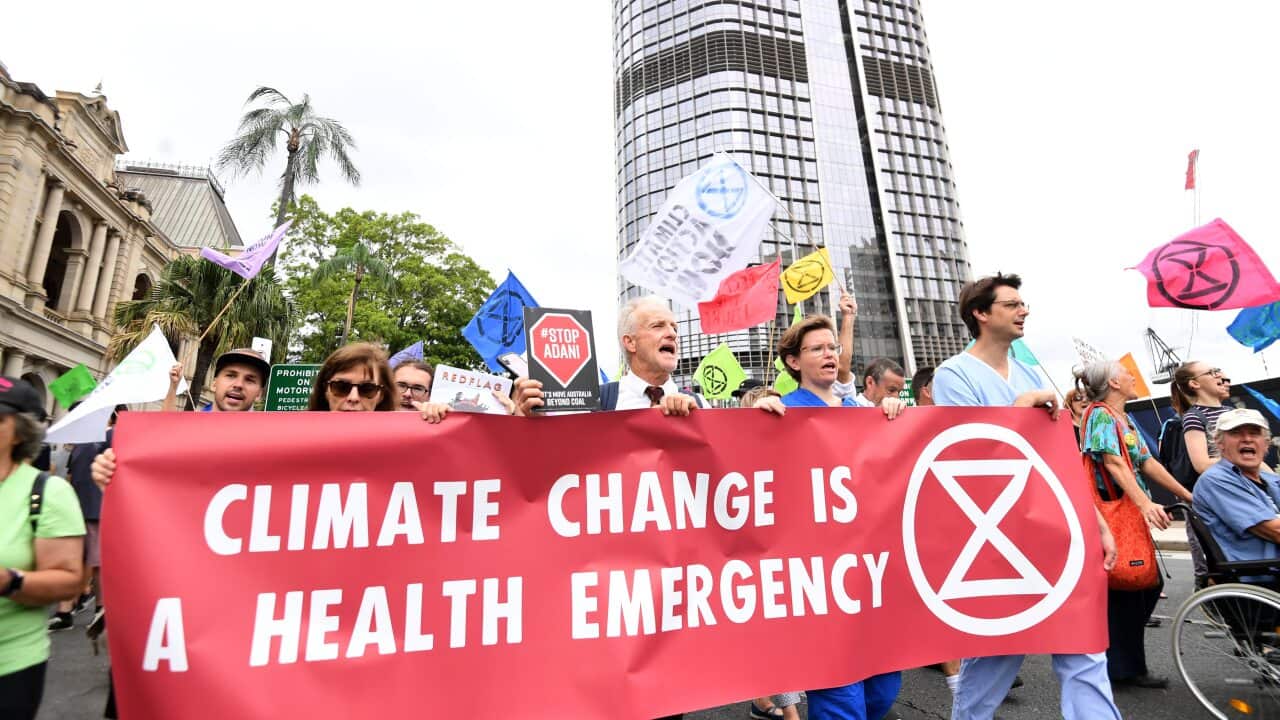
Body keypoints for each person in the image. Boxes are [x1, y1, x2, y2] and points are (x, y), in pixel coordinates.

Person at [931, 273, 1120, 720]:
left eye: (1023, 303)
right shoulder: (953, 375)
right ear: (981, 314)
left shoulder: (1031, 372)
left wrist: (1098, 525)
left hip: (1054, 532)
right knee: (996, 655)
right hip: (999, 540)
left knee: (1084, 650)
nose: (1024, 310)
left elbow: (1058, 462)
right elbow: (969, 455)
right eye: (1012, 304)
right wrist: (1020, 410)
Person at [755, 314, 902, 720]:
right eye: (817, 348)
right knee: (841, 700)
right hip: (818, 576)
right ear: (793, 362)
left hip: (869, 572)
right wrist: (756, 424)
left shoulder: (861, 411)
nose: (829, 355)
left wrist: (891, 412)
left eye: (832, 348)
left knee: (883, 689)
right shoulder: (782, 411)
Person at [1075, 359, 1193, 689]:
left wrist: (1186, 494)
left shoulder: (1120, 418)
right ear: (1113, 383)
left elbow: (1146, 461)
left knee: (1137, 586)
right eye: (1124, 372)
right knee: (1133, 585)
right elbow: (1113, 461)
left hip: (1125, 512)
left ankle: (1117, 661)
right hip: (1112, 513)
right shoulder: (1098, 414)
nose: (1131, 375)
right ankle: (1120, 665)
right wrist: (1145, 503)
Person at [0, 376, 86, 720]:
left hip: (9, 669)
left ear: (20, 433)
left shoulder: (47, 493)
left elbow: (71, 581)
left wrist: (10, 580)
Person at [516, 296, 700, 416]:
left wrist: (700, 423)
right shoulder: (597, 404)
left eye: (674, 328)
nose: (673, 334)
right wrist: (527, 420)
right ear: (630, 342)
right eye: (658, 326)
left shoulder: (700, 405)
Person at [1192, 408, 1280, 571]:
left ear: (1266, 444)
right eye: (1236, 433)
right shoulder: (1216, 481)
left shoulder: (1271, 480)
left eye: (1254, 433)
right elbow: (1276, 531)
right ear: (1220, 443)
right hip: (1263, 574)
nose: (1247, 439)